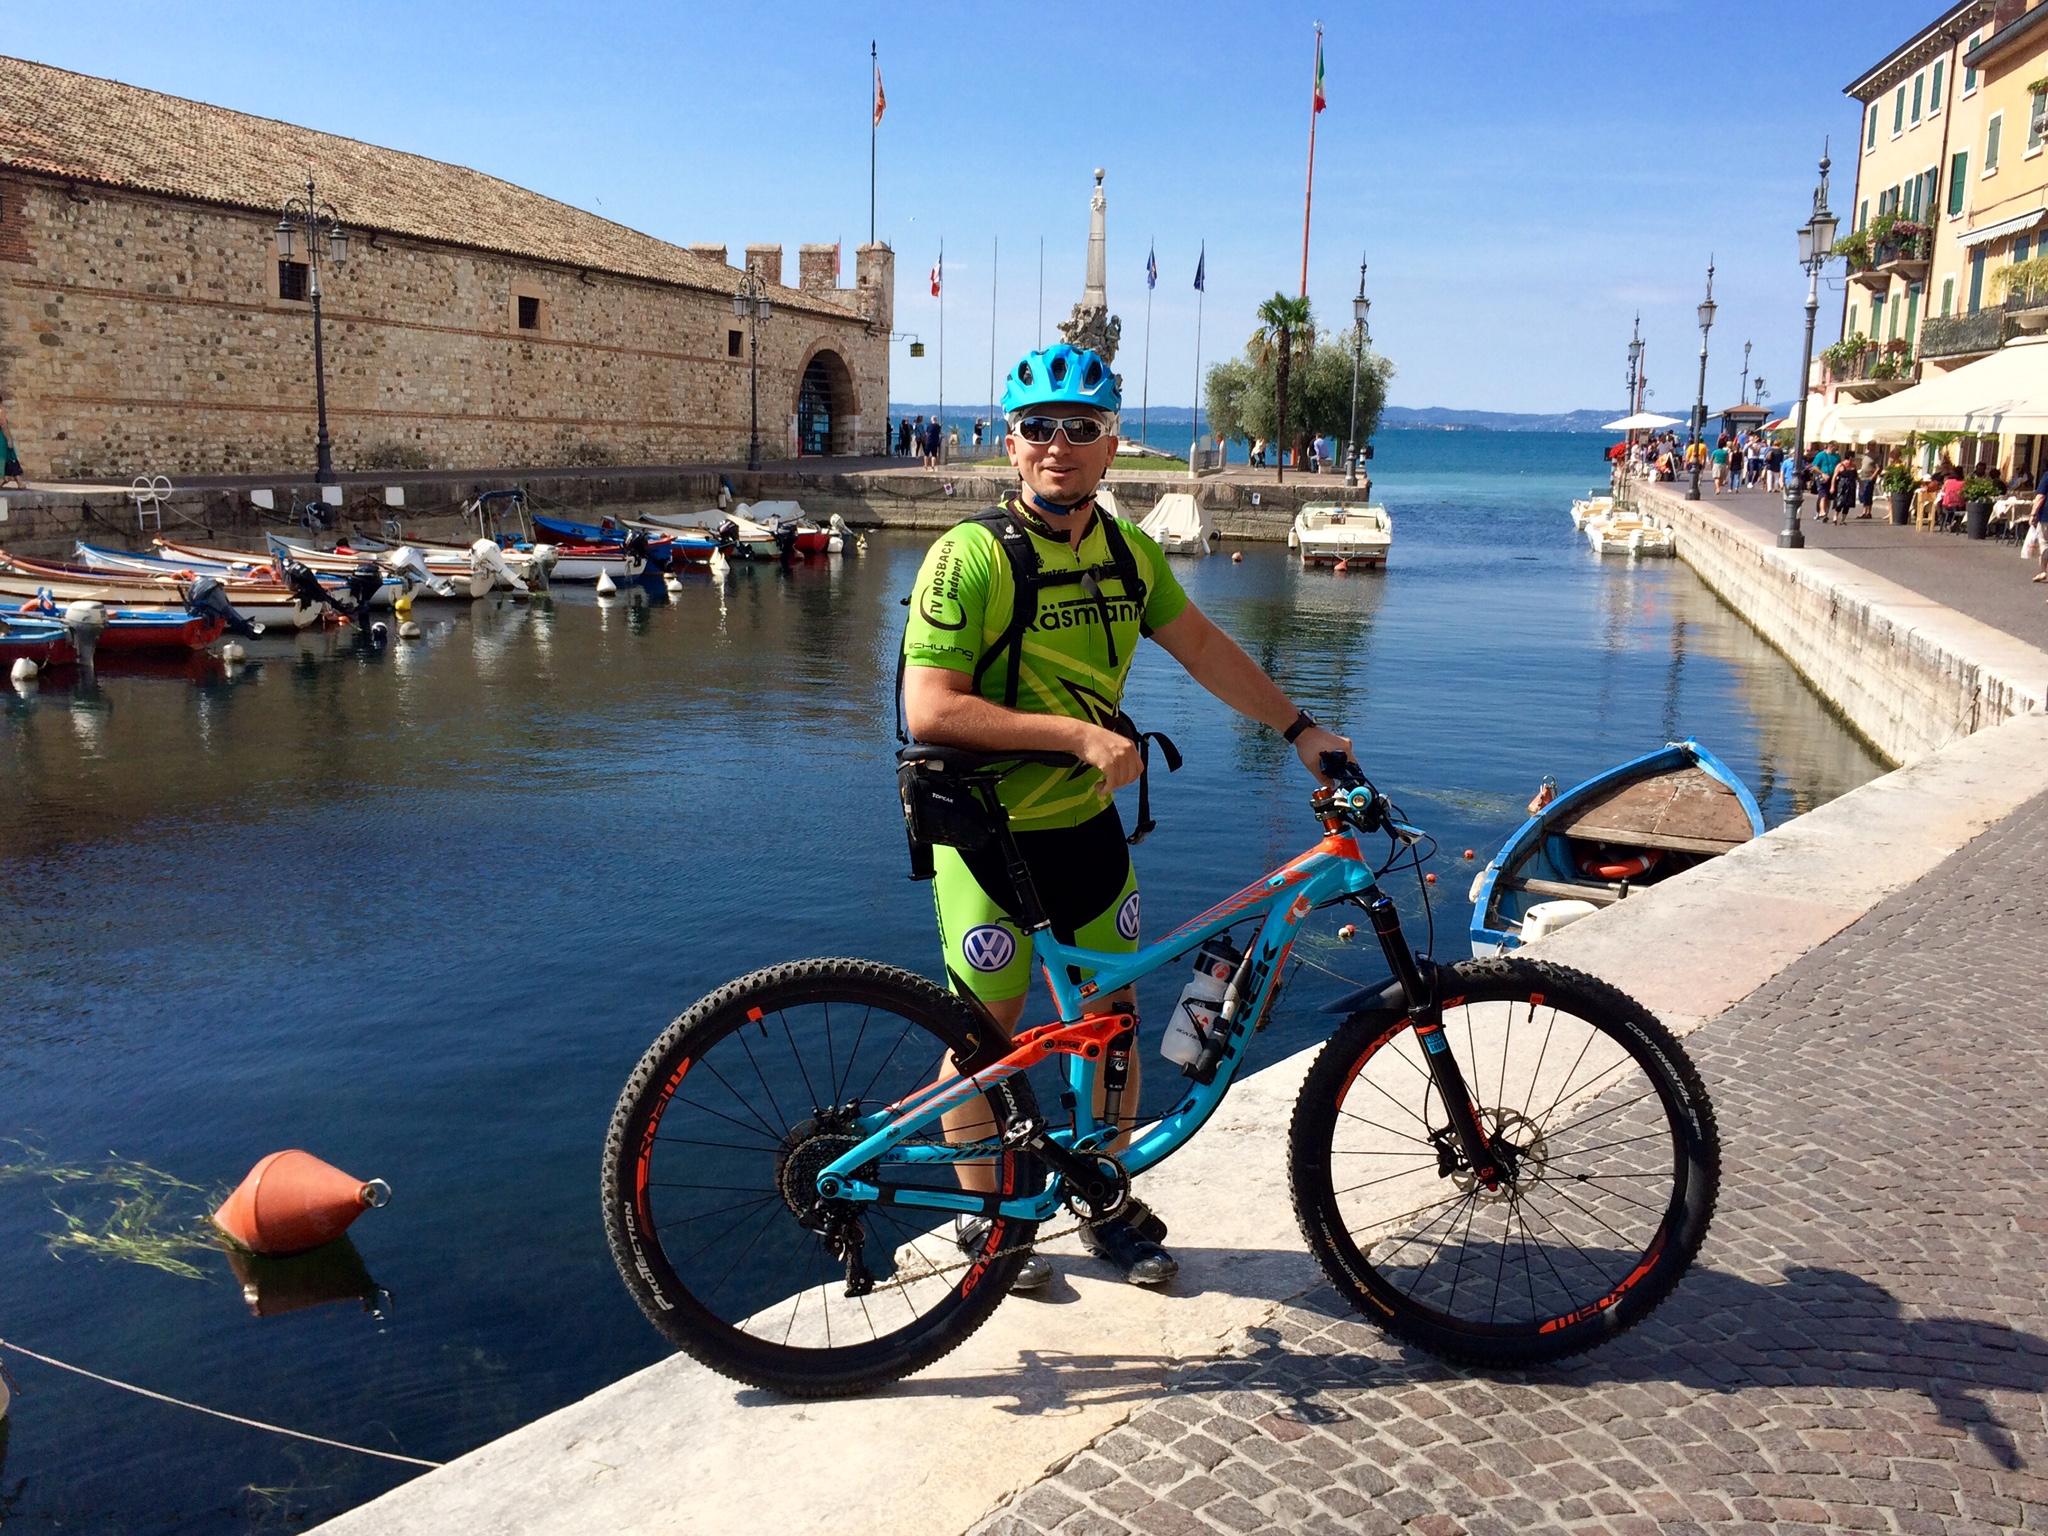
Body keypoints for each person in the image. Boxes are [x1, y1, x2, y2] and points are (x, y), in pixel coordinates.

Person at [900, 343, 1352, 1290]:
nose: (1057, 444)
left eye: (1083, 427)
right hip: (986, 835)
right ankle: (989, 1221)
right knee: (986, 1039)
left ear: (1113, 446)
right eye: (1037, 427)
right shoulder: (968, 557)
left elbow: (1206, 650)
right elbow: (930, 710)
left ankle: (1103, 1201)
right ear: (1010, 445)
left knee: (1111, 1024)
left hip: (1088, 831)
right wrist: (1075, 735)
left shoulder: (1129, 554)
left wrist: (1299, 728)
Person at [0, 393, 24, 489]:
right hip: (2, 438)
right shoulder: (0, 411)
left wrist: (9, 439)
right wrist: (9, 439)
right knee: (10, 458)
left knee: (8, 458)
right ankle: (16, 481)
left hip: (2, 438)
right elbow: (4, 426)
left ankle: (6, 479)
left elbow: (3, 426)